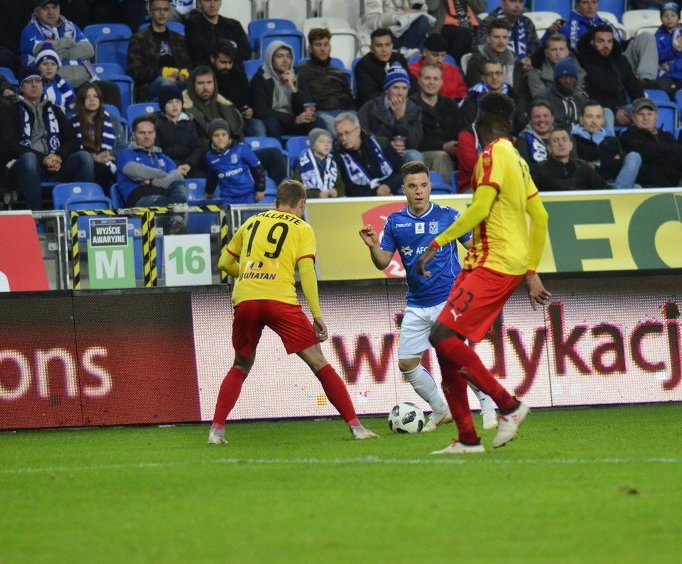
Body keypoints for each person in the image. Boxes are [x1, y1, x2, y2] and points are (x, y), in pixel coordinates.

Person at [415, 92, 550, 454]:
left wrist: (437, 243)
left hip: (493, 261)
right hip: (498, 262)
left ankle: (508, 405)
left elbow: (480, 208)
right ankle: (468, 439)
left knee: (442, 336)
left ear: (480, 120)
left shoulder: (491, 154)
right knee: (445, 347)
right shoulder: (518, 161)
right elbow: (540, 217)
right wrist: (532, 270)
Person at [209, 179, 380, 445]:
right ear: (301, 204)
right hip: (280, 300)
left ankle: (216, 431)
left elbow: (223, 262)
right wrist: (317, 314)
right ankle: (356, 427)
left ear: (276, 201)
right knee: (319, 362)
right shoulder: (303, 228)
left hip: (246, 298)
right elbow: (308, 271)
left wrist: (252, 274)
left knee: (240, 365)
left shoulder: (251, 222)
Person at [359, 161, 498, 431]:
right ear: (404, 189)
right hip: (417, 304)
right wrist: (374, 246)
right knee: (407, 364)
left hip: (449, 300)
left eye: (423, 185)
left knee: (457, 358)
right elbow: (382, 262)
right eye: (412, 186)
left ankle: (488, 405)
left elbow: (475, 248)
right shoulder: (396, 223)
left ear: (430, 187)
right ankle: (440, 408)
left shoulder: (448, 216)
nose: (419, 191)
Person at [0, 66, 94, 211]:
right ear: (21, 87)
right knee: (29, 158)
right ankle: (35, 218)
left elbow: (73, 140)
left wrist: (59, 156)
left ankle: (82, 213)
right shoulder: (10, 111)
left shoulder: (55, 110)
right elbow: (9, 145)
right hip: (23, 168)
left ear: (43, 85)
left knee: (84, 157)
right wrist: (42, 158)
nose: (34, 84)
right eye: (29, 82)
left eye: (38, 81)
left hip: (55, 165)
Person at [184, 65, 287, 186]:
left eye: (209, 82)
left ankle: (286, 196)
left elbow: (238, 133)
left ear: (214, 83)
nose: (205, 87)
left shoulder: (224, 105)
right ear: (192, 85)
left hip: (236, 154)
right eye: (200, 83)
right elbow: (197, 145)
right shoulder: (186, 110)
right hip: (212, 158)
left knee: (274, 154)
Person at [557, 0, 659, 85]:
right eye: (585, 2)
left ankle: (646, 81)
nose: (590, 6)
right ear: (577, 5)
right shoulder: (568, 27)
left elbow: (620, 46)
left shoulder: (605, 22)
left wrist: (629, 42)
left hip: (618, 63)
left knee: (646, 36)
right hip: (592, 69)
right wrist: (549, 33)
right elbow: (550, 47)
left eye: (594, 2)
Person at [576, 25, 644, 133]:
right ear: (592, 42)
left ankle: (644, 144)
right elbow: (588, 96)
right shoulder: (584, 63)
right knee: (607, 113)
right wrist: (614, 110)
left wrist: (641, 105)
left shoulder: (621, 60)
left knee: (644, 111)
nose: (606, 45)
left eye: (609, 41)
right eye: (601, 41)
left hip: (622, 108)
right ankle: (610, 147)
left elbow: (634, 88)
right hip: (599, 109)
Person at [115, 113, 188, 214]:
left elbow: (177, 176)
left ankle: (177, 222)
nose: (147, 136)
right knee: (171, 205)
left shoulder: (164, 158)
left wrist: (152, 182)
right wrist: (163, 175)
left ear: (155, 135)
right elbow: (136, 171)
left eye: (150, 132)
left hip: (165, 196)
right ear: (133, 136)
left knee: (178, 187)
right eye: (142, 133)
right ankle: (177, 221)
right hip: (140, 198)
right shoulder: (126, 154)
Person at [358, 64, 425, 165]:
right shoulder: (370, 107)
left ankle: (413, 181)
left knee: (415, 156)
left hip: (403, 154)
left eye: (404, 88)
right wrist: (386, 145)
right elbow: (361, 135)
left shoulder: (414, 109)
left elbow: (414, 143)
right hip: (377, 152)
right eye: (396, 88)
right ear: (387, 89)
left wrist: (401, 118)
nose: (400, 93)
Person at [127, 0, 191, 102]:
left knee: (200, 82)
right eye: (158, 9)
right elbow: (134, 71)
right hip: (151, 85)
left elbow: (188, 65)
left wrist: (183, 74)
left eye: (165, 9)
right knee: (167, 82)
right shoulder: (139, 39)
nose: (162, 13)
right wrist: (161, 72)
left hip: (179, 80)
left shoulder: (179, 38)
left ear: (169, 12)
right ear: (150, 11)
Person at [250, 41, 316, 139]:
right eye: (280, 56)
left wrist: (293, 87)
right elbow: (261, 111)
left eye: (288, 56)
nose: (285, 60)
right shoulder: (260, 78)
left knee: (315, 121)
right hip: (275, 121)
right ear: (270, 59)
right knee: (272, 123)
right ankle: (278, 152)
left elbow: (308, 105)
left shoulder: (296, 75)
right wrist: (293, 120)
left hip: (294, 120)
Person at [295, 28, 357, 134]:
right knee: (335, 127)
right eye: (318, 45)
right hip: (320, 112)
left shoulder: (338, 72)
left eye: (326, 44)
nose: (323, 49)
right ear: (310, 48)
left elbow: (350, 99)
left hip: (345, 111)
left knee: (361, 124)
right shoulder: (301, 71)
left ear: (330, 47)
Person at [620, 97, 682, 188]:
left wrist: (655, 150)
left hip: (673, 184)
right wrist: (669, 151)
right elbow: (644, 152)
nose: (645, 118)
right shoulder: (628, 135)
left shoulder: (667, 135)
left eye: (649, 114)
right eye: (641, 114)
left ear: (656, 116)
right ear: (633, 117)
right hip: (646, 186)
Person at [571, 100, 641, 189]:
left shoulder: (612, 140)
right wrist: (609, 161)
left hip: (613, 183)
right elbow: (580, 168)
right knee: (636, 188)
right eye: (589, 116)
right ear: (581, 119)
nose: (594, 121)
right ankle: (618, 193)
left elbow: (619, 165)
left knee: (635, 156)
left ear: (603, 121)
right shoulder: (573, 140)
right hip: (588, 186)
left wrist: (596, 164)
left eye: (598, 117)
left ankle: (617, 192)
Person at [410, 63, 463, 180]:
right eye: (427, 78)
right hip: (422, 155)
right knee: (442, 157)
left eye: (435, 79)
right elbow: (412, 140)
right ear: (419, 81)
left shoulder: (450, 105)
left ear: (441, 82)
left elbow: (461, 131)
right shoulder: (410, 105)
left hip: (452, 154)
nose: (431, 83)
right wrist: (443, 146)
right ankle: (448, 195)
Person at [333, 111, 404, 197]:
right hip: (364, 204)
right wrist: (377, 192)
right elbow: (349, 189)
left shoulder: (382, 144)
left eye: (347, 133)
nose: (344, 138)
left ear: (358, 131)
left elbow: (403, 171)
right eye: (340, 135)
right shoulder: (338, 158)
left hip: (395, 194)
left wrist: (388, 186)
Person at [73, 82, 126, 189]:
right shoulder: (73, 122)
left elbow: (122, 147)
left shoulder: (112, 119)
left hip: (109, 160)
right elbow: (73, 150)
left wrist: (108, 155)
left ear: (100, 100)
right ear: (81, 101)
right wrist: (94, 157)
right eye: (87, 97)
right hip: (84, 164)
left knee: (104, 168)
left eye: (95, 96)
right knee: (99, 168)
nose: (92, 100)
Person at [203, 118, 266, 203]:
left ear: (228, 135)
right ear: (211, 138)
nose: (220, 138)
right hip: (227, 199)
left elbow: (257, 168)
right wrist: (209, 192)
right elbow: (212, 176)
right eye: (216, 135)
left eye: (223, 134)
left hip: (248, 196)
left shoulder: (242, 149)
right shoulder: (210, 156)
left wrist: (260, 189)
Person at [210, 40, 262, 136]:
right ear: (213, 59)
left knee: (257, 125)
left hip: (239, 119)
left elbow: (245, 102)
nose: (227, 66)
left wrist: (248, 111)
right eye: (223, 62)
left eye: (230, 62)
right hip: (215, 121)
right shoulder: (205, 77)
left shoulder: (239, 76)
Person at [154, 84, 206, 179]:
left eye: (178, 101)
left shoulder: (189, 122)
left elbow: (198, 147)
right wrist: (175, 166)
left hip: (188, 167)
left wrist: (189, 164)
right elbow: (156, 151)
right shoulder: (156, 124)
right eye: (170, 102)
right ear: (163, 105)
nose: (175, 105)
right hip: (166, 168)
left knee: (203, 179)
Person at [530, 128, 607, 191]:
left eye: (564, 139)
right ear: (549, 148)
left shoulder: (583, 167)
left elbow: (605, 189)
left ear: (571, 146)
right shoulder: (539, 170)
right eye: (556, 141)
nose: (561, 144)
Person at [184, 0, 250, 73]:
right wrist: (230, 49)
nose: (212, 5)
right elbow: (199, 51)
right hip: (207, 77)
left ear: (220, 2)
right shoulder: (193, 25)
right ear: (199, 3)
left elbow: (246, 52)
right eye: (207, 1)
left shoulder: (234, 25)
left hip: (235, 75)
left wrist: (220, 52)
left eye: (216, 0)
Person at [475, 0, 540, 73]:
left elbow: (535, 48)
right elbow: (482, 51)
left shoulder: (527, 22)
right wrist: (517, 63)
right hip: (497, 71)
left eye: (521, 2)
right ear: (502, 4)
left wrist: (528, 61)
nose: (517, 5)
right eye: (512, 1)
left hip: (527, 72)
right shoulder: (489, 22)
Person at [355, 28, 414, 109]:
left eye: (387, 45)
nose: (384, 50)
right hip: (374, 110)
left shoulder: (399, 59)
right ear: (371, 48)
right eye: (379, 45)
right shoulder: (362, 66)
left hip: (402, 105)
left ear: (392, 46)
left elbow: (412, 85)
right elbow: (370, 95)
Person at [460, 59, 522, 130]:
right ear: (483, 78)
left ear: (504, 76)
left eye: (498, 73)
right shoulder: (473, 99)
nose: (494, 77)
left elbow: (520, 122)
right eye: (490, 74)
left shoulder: (513, 96)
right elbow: (470, 126)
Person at [359, 0, 433, 56]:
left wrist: (414, 4)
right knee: (422, 23)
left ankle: (405, 58)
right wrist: (401, 15)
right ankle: (402, 57)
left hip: (408, 32)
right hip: (384, 34)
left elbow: (423, 12)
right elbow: (371, 22)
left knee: (423, 26)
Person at [407, 32, 467, 101]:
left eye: (443, 56)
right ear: (425, 52)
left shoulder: (453, 71)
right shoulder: (410, 71)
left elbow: (462, 95)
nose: (440, 60)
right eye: (435, 55)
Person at [465, 19, 524, 90]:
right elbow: (477, 91)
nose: (501, 41)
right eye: (496, 37)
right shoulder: (476, 62)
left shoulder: (515, 61)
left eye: (505, 37)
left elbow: (520, 93)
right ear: (488, 39)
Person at [654, 3, 682, 98]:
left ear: (678, 18)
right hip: (665, 75)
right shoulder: (657, 36)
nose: (669, 18)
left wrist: (672, 66)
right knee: (660, 93)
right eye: (665, 16)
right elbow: (657, 55)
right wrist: (672, 50)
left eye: (673, 15)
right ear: (661, 18)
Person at [534, 56, 584, 131]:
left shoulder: (579, 99)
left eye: (571, 77)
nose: (567, 81)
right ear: (556, 80)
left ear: (576, 80)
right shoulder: (543, 98)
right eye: (563, 77)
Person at [526, 33, 582, 100]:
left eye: (561, 49)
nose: (558, 54)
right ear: (546, 53)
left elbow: (579, 96)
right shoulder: (536, 71)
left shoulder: (577, 68)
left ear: (567, 52)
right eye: (554, 50)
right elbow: (540, 99)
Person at [292, 128, 344, 198]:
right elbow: (296, 189)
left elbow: (340, 185)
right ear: (313, 144)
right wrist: (316, 194)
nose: (326, 144)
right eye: (321, 141)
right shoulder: (302, 163)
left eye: (329, 142)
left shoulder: (333, 163)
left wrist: (336, 192)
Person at [35, 44, 76, 118]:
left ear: (57, 68)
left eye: (53, 64)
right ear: (38, 67)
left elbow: (71, 111)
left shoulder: (66, 86)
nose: (49, 68)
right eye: (45, 64)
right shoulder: (32, 85)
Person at [516, 100, 555, 166]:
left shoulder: (562, 137)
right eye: (537, 117)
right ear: (530, 120)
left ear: (552, 118)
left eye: (545, 116)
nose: (542, 120)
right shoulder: (523, 140)